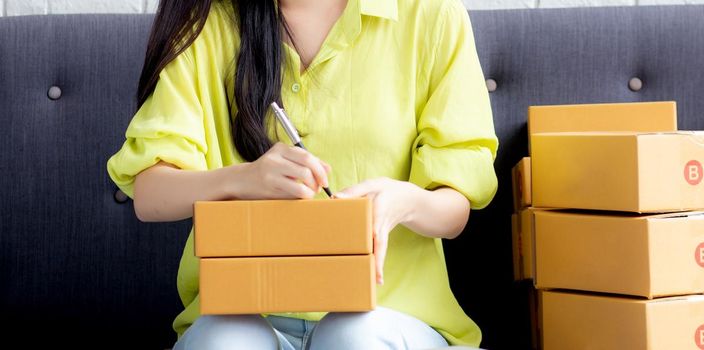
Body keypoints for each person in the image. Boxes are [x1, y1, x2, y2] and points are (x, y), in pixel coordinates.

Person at [106, 0, 498, 348]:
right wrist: (243, 179)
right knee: (225, 341)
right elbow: (150, 195)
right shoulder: (208, 21)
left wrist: (405, 202)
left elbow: (454, 209)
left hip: (392, 315)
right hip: (242, 312)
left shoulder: (431, 15)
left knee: (354, 337)